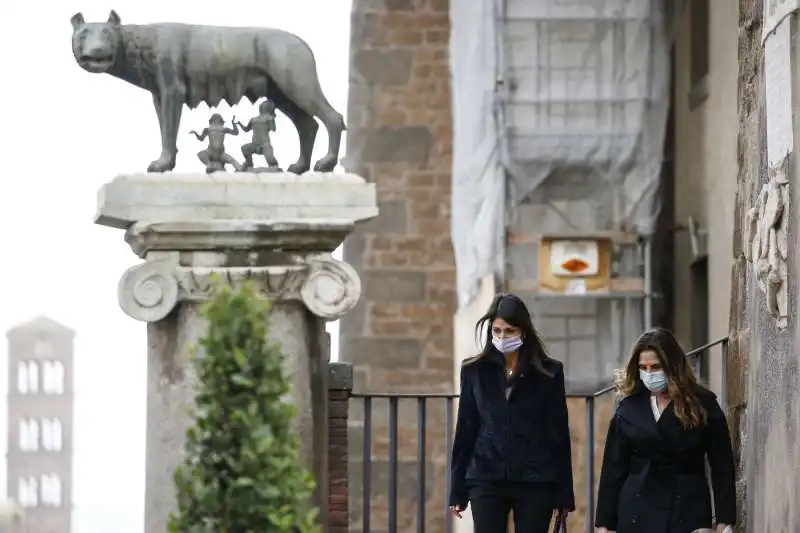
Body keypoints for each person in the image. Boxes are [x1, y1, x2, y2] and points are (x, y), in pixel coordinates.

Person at [449, 293, 575, 533]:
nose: (502, 337)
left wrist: (564, 494)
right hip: (485, 476)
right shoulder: (474, 371)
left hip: (536, 478)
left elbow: (558, 433)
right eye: (496, 331)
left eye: (509, 331)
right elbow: (466, 430)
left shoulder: (548, 373)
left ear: (523, 332)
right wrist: (457, 490)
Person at [595, 328, 736, 533]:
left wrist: (725, 519)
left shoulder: (703, 404)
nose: (649, 373)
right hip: (637, 511)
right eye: (643, 367)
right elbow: (613, 469)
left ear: (671, 366)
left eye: (655, 367)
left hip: (686, 510)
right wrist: (604, 523)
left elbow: (722, 464)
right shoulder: (629, 408)